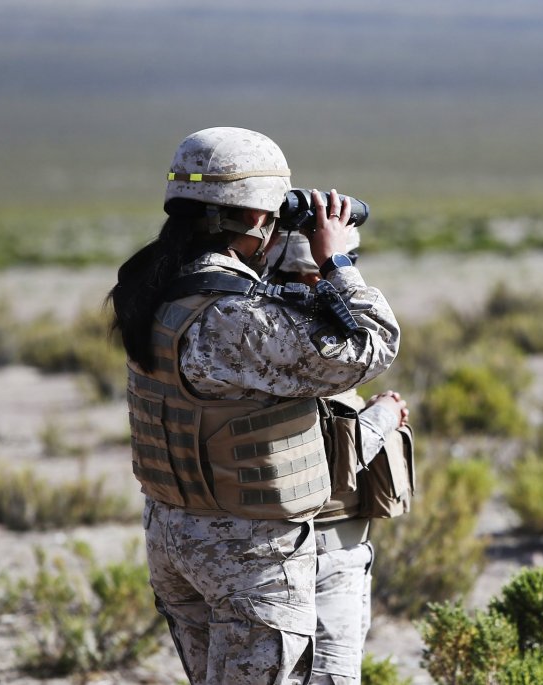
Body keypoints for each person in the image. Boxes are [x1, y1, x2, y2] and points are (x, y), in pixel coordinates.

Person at [108, 126, 400, 685]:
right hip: (245, 551)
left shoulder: (157, 289)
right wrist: (338, 262)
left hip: (177, 534)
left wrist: (287, 258)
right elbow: (369, 346)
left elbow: (253, 336)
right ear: (258, 215)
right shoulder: (234, 321)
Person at [266, 230, 414, 684]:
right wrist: (384, 417)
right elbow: (326, 468)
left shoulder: (256, 337)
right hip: (325, 550)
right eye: (318, 275)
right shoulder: (306, 350)